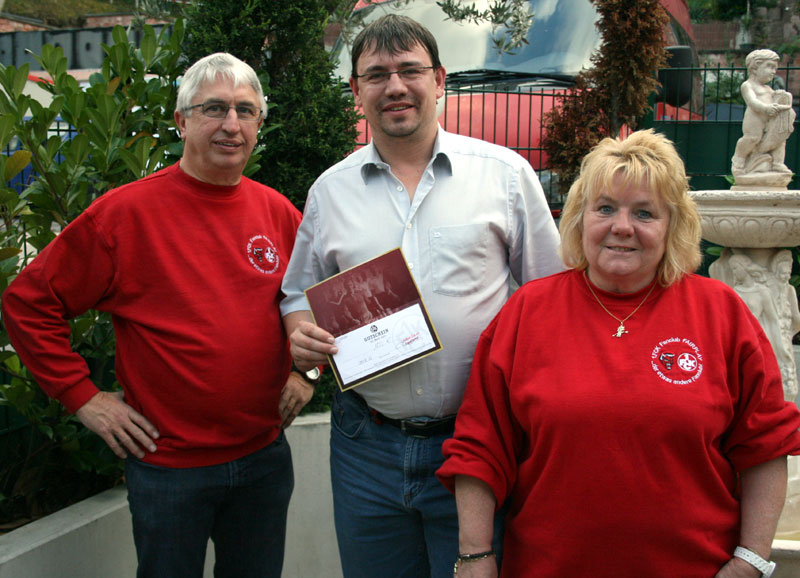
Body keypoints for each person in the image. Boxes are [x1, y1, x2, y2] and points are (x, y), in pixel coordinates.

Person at [438, 129, 800, 578]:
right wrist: (474, 557)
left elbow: (764, 445)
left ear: (674, 225)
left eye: (644, 213)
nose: (621, 226)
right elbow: (481, 445)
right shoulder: (527, 313)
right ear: (579, 218)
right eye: (605, 208)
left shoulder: (721, 313)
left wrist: (749, 560)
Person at [1, 53, 308, 578]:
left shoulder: (278, 211)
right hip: (169, 471)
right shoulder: (123, 215)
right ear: (181, 121)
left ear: (260, 123)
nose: (231, 125)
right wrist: (85, 399)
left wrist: (307, 373)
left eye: (245, 111)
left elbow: (315, 304)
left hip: (264, 459)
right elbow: (28, 303)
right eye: (214, 109)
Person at [279, 14, 563, 578]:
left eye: (410, 70)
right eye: (377, 74)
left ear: (439, 80)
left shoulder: (505, 176)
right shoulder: (329, 192)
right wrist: (299, 335)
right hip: (366, 445)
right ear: (357, 91)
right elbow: (296, 295)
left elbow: (551, 299)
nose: (395, 86)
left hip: (478, 443)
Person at [731, 49, 795, 177]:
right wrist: (766, 108)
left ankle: (777, 163)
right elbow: (752, 102)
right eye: (769, 66)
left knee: (780, 139)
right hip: (755, 119)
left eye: (775, 68)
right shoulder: (748, 85)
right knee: (752, 138)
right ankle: (739, 159)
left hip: (770, 120)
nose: (773, 71)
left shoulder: (769, 89)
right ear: (755, 67)